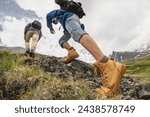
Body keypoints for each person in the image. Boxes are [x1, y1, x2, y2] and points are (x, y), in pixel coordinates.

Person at [46, 2, 126, 97]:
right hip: (73, 22)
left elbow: (48, 16)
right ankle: (71, 52)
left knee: (77, 34)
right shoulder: (67, 14)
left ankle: (107, 63)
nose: (56, 21)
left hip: (69, 20)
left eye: (56, 21)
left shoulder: (59, 12)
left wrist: (50, 27)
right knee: (62, 40)